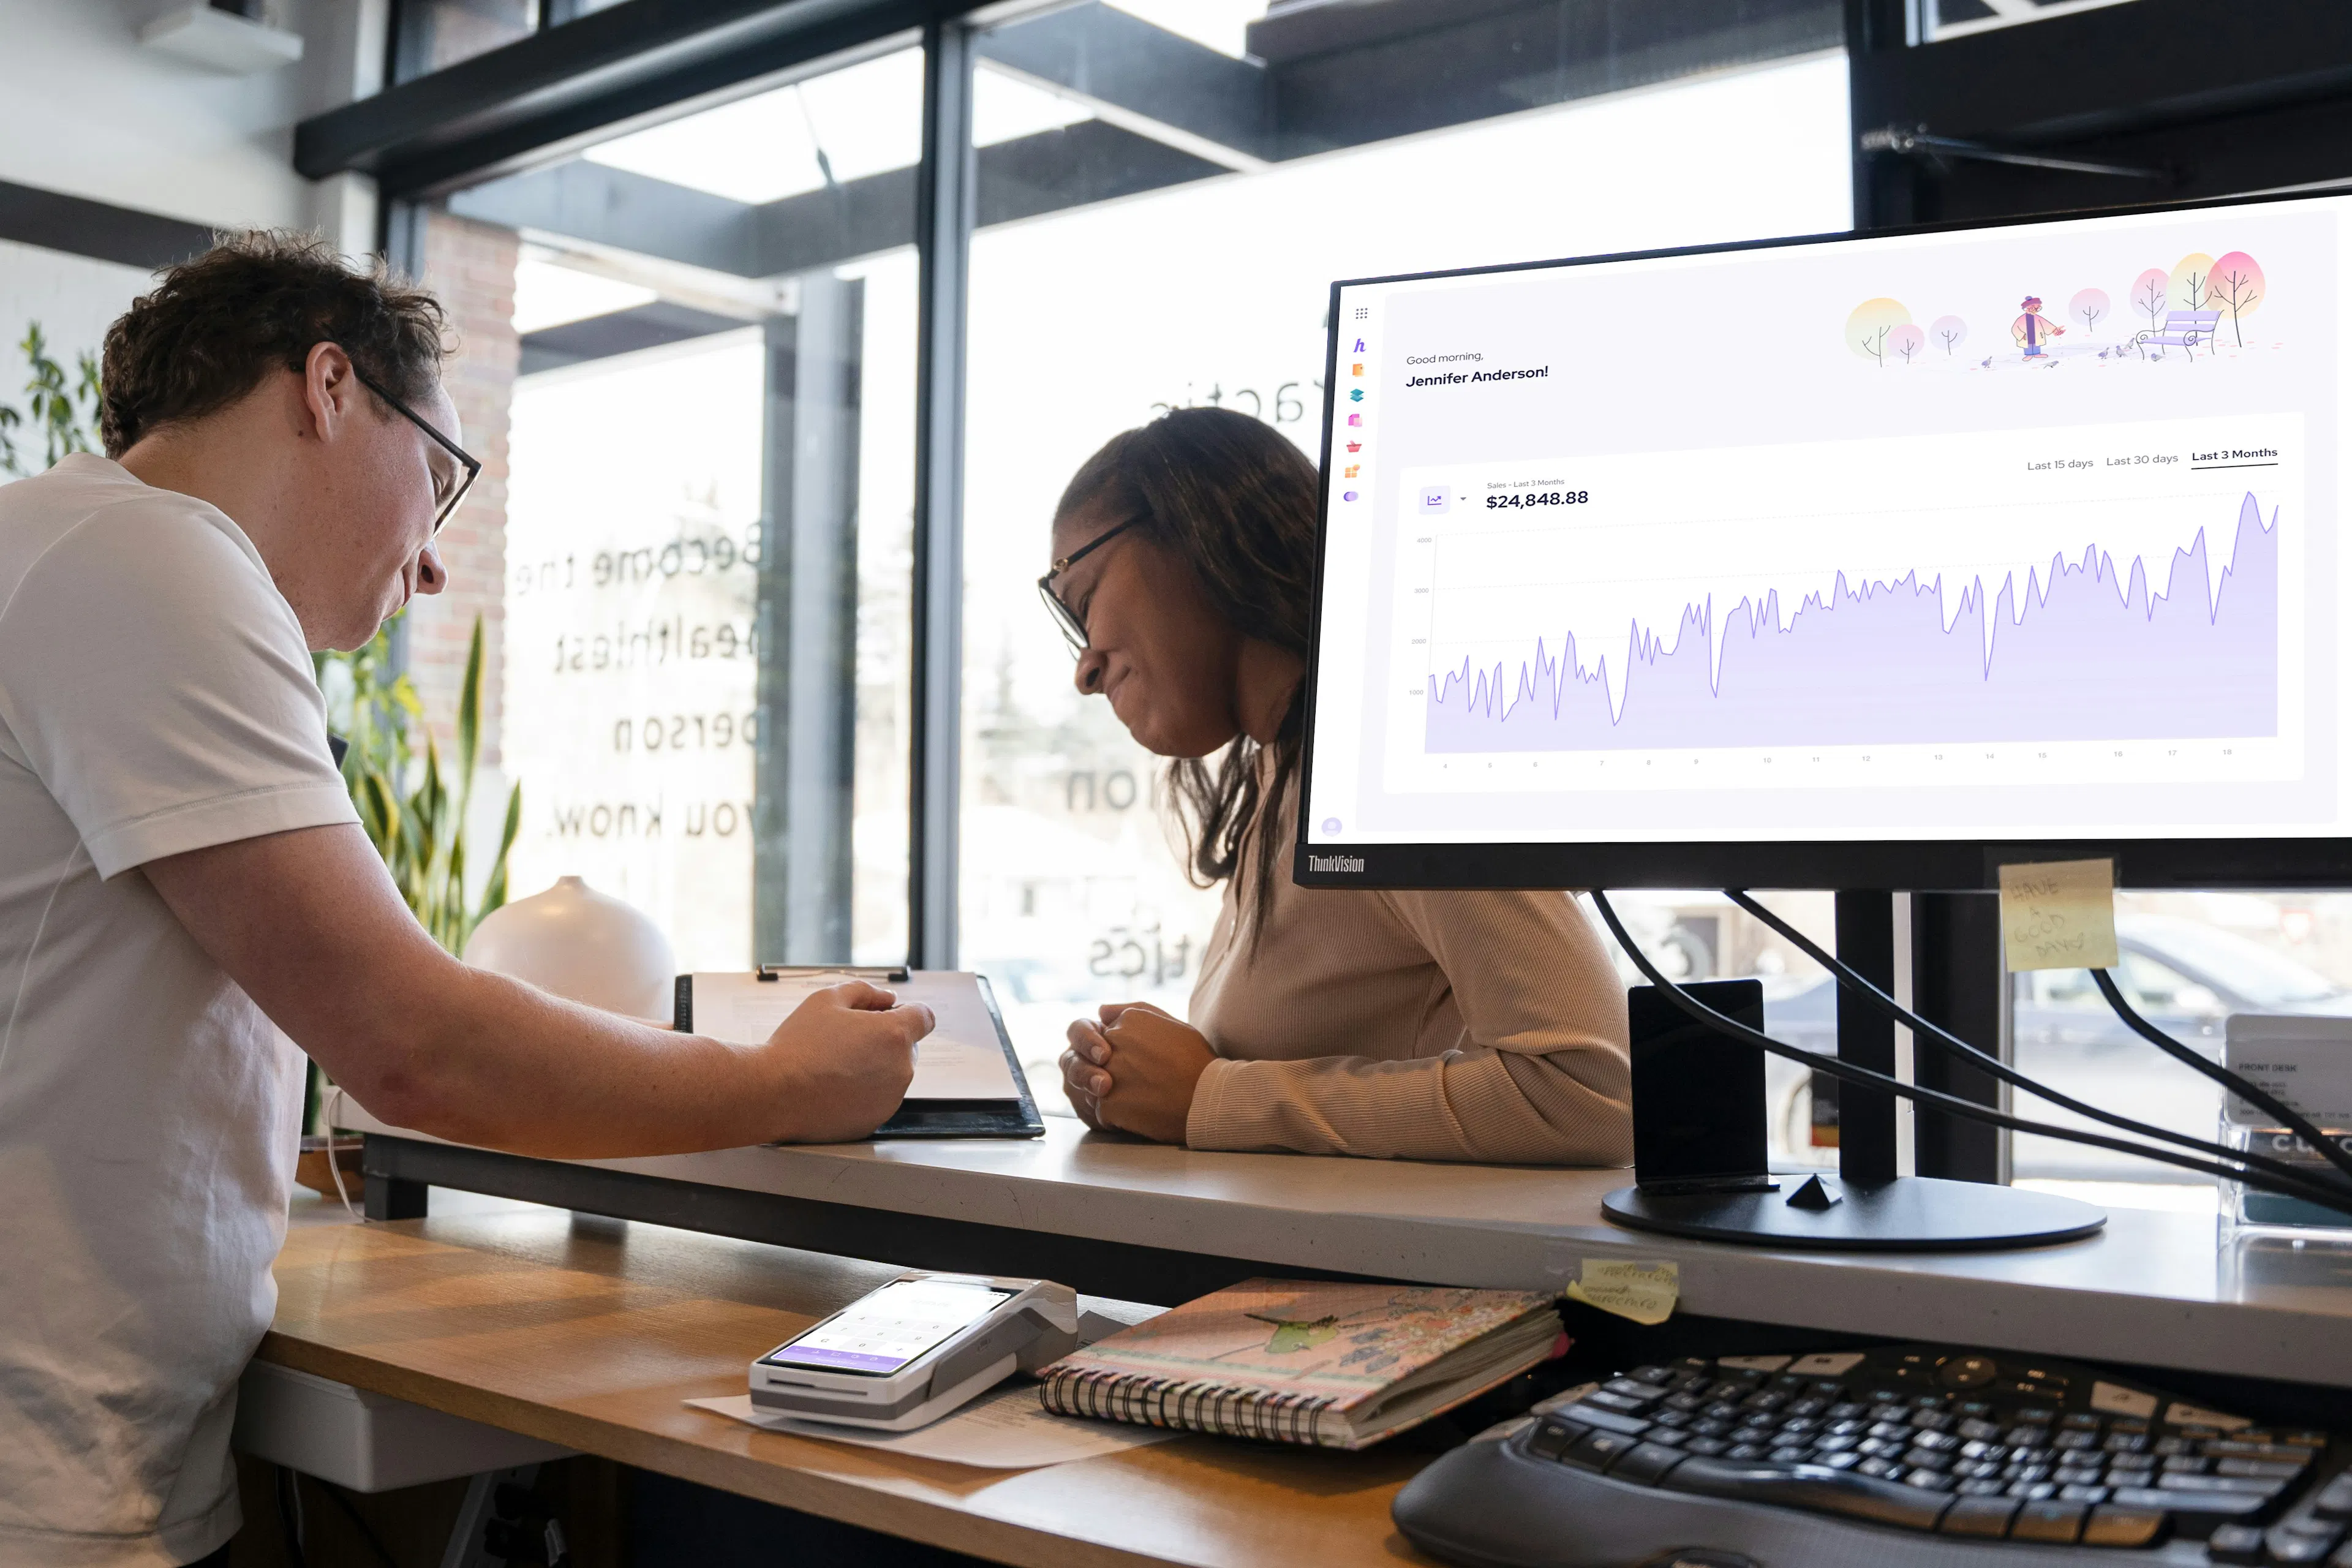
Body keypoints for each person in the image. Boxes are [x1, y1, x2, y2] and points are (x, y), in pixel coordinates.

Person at [0, 233, 932, 1568]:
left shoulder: (66, 544)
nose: (433, 562)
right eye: (438, 477)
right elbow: (412, 1037)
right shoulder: (151, 557)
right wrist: (784, 1085)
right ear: (329, 385)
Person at [1047, 408, 1632, 1166]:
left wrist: (1213, 1097)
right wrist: (1142, 1083)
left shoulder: (1376, 760)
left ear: (1200, 528)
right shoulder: (1280, 777)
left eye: (1084, 599)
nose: (1085, 668)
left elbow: (1590, 1092)